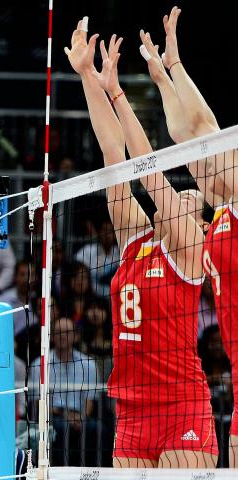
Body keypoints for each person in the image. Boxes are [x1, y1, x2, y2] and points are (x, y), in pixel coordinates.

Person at [65, 20, 217, 467]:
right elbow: (114, 157)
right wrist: (87, 76)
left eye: (189, 198)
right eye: (181, 194)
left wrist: (116, 92)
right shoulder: (135, 239)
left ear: (200, 222)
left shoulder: (190, 248)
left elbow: (149, 171)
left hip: (181, 406)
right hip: (131, 409)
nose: (182, 196)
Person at [140, 7, 238, 465]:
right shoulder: (221, 207)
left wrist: (177, 66)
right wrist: (163, 78)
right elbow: (186, 138)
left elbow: (204, 133)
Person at [28, 317, 99, 466]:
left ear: (76, 336)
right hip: (52, 415)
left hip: (80, 415)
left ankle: (92, 471)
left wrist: (81, 417)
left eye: (67, 332)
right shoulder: (39, 365)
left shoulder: (88, 364)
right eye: (58, 332)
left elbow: (90, 401)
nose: (63, 336)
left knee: (97, 429)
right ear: (52, 336)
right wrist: (66, 415)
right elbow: (37, 403)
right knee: (61, 427)